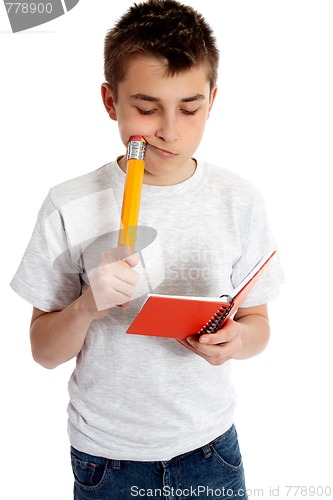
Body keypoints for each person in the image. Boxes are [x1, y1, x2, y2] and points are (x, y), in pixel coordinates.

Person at [10, 1, 283, 498]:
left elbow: (259, 324)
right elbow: (43, 352)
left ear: (213, 99)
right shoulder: (69, 204)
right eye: (146, 107)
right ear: (110, 102)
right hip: (106, 459)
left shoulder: (239, 201)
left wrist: (237, 342)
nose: (169, 131)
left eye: (190, 108)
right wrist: (86, 306)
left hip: (211, 449)